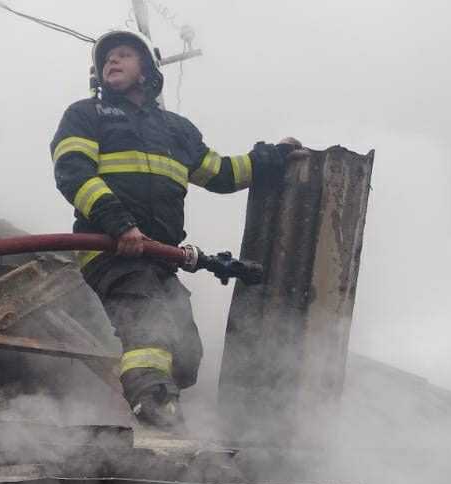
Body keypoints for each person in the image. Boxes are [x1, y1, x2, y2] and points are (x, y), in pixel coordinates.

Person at [50, 29, 298, 427]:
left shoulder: (176, 130)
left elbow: (221, 173)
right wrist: (120, 225)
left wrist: (274, 156)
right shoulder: (85, 115)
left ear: (147, 71)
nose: (112, 61)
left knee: (186, 355)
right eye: (107, 58)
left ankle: (151, 395)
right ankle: (154, 406)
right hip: (111, 248)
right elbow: (73, 173)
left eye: (124, 54)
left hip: (160, 256)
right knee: (150, 326)